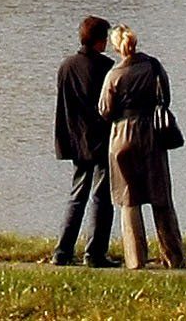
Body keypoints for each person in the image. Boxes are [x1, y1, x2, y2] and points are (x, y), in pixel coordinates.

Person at [98, 23, 185, 269]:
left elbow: (105, 110)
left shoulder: (114, 75)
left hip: (123, 136)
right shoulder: (154, 66)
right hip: (152, 134)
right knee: (160, 197)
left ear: (117, 47)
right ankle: (174, 257)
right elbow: (165, 97)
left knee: (129, 200)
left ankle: (136, 260)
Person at [51, 14, 115, 266]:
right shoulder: (106, 68)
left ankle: (62, 251)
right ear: (99, 41)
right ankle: (95, 253)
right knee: (101, 198)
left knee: (77, 195)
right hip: (100, 140)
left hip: (75, 140)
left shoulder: (66, 66)